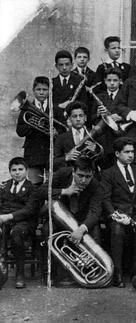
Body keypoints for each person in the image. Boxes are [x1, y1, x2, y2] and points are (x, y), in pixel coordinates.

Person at [37, 158, 103, 285]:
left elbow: (95, 212)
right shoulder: (63, 173)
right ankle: (49, 274)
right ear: (73, 172)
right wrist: (64, 191)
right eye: (80, 176)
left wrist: (81, 229)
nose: (84, 180)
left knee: (95, 233)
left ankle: (89, 272)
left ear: (93, 174)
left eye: (88, 177)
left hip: (82, 221)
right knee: (47, 230)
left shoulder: (95, 185)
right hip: (59, 218)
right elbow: (39, 191)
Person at [101, 137, 136, 287]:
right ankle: (118, 273)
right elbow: (106, 198)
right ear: (117, 153)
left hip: (135, 212)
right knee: (117, 230)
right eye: (126, 152)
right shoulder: (108, 173)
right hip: (118, 214)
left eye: (132, 152)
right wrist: (113, 214)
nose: (130, 155)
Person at [16, 76, 66, 185]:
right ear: (33, 91)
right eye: (38, 90)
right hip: (33, 153)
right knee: (35, 186)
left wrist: (57, 133)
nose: (41, 93)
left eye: (44, 90)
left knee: (52, 185)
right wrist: (33, 125)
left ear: (49, 91)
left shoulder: (56, 109)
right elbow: (19, 131)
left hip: (52, 154)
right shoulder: (26, 109)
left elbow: (64, 130)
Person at [0, 158, 38, 288]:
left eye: (20, 169)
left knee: (16, 234)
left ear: (26, 171)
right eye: (14, 170)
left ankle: (20, 272)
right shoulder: (4, 186)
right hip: (4, 219)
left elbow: (30, 210)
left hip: (24, 222)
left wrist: (9, 216)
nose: (17, 173)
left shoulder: (32, 188)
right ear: (10, 172)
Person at [91, 67, 124, 169]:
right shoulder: (99, 96)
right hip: (104, 139)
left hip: (119, 137)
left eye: (115, 80)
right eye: (109, 80)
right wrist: (97, 113)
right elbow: (91, 118)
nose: (112, 83)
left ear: (120, 81)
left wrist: (121, 117)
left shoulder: (124, 95)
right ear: (105, 81)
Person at [53, 102, 98, 170]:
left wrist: (95, 152)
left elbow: (104, 163)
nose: (78, 119)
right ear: (69, 118)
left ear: (85, 118)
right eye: (74, 116)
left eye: (81, 116)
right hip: (69, 176)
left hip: (90, 174)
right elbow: (53, 163)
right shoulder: (61, 138)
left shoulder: (94, 134)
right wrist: (66, 157)